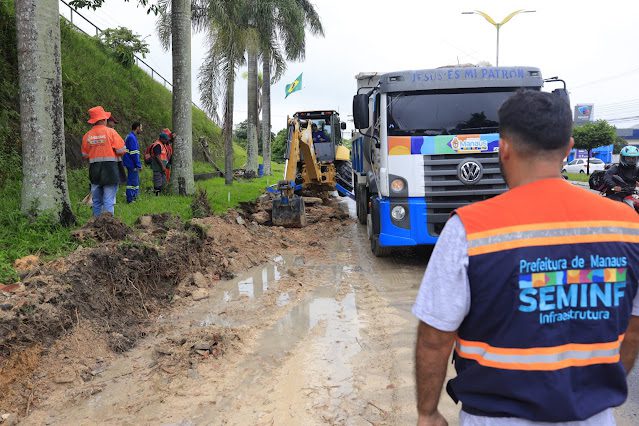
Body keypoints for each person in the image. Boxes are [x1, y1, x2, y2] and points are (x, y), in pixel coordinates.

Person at [413, 90, 639, 426]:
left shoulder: (468, 228)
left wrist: (427, 413)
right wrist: (590, 393)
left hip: (494, 417)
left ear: (504, 148)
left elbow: (435, 338)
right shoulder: (627, 225)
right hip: (593, 416)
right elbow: (633, 330)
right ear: (568, 147)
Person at [81, 106, 127, 216]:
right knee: (108, 200)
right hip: (110, 170)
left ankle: (95, 224)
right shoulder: (111, 132)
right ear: (103, 119)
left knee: (96, 201)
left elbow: (84, 155)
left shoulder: (87, 135)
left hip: (94, 171)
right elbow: (121, 150)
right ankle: (108, 225)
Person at [123, 121, 143, 203]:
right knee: (132, 182)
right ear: (137, 127)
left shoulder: (131, 136)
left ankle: (134, 198)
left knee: (134, 181)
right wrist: (138, 165)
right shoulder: (131, 137)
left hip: (130, 163)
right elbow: (134, 153)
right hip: (132, 163)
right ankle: (131, 199)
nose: (142, 130)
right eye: (141, 128)